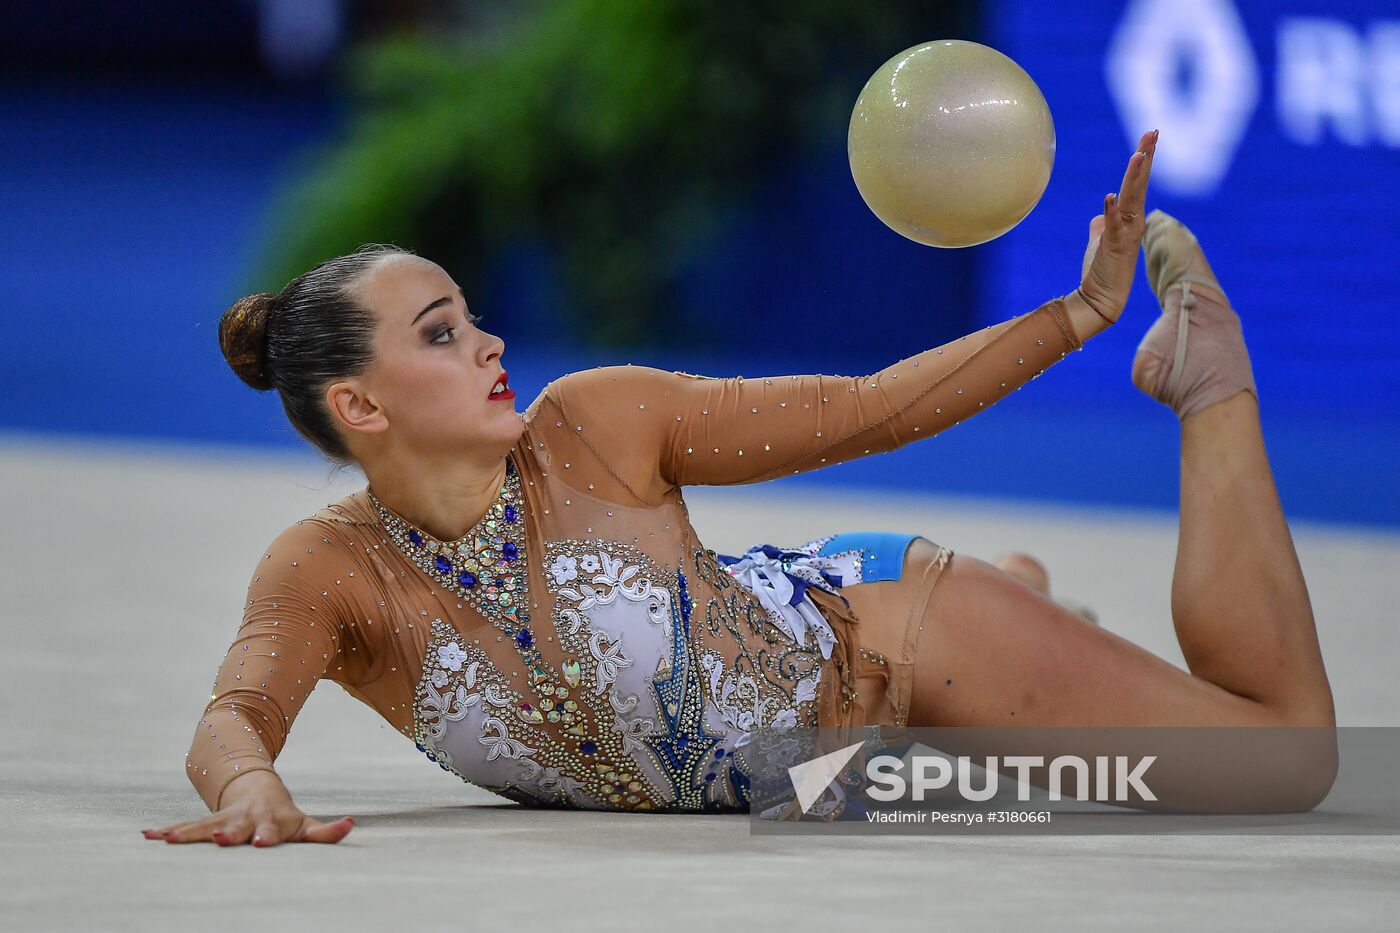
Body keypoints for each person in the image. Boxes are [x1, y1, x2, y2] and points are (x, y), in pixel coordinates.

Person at [143, 129, 1334, 846]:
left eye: (474, 316)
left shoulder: (595, 424)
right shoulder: (330, 572)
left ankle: (1208, 383)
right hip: (826, 785)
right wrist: (251, 788)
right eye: (444, 334)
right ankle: (1035, 604)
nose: (492, 342)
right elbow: (234, 715)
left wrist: (1076, 313)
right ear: (360, 406)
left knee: (1280, 766)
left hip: (884, 646)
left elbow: (870, 408)